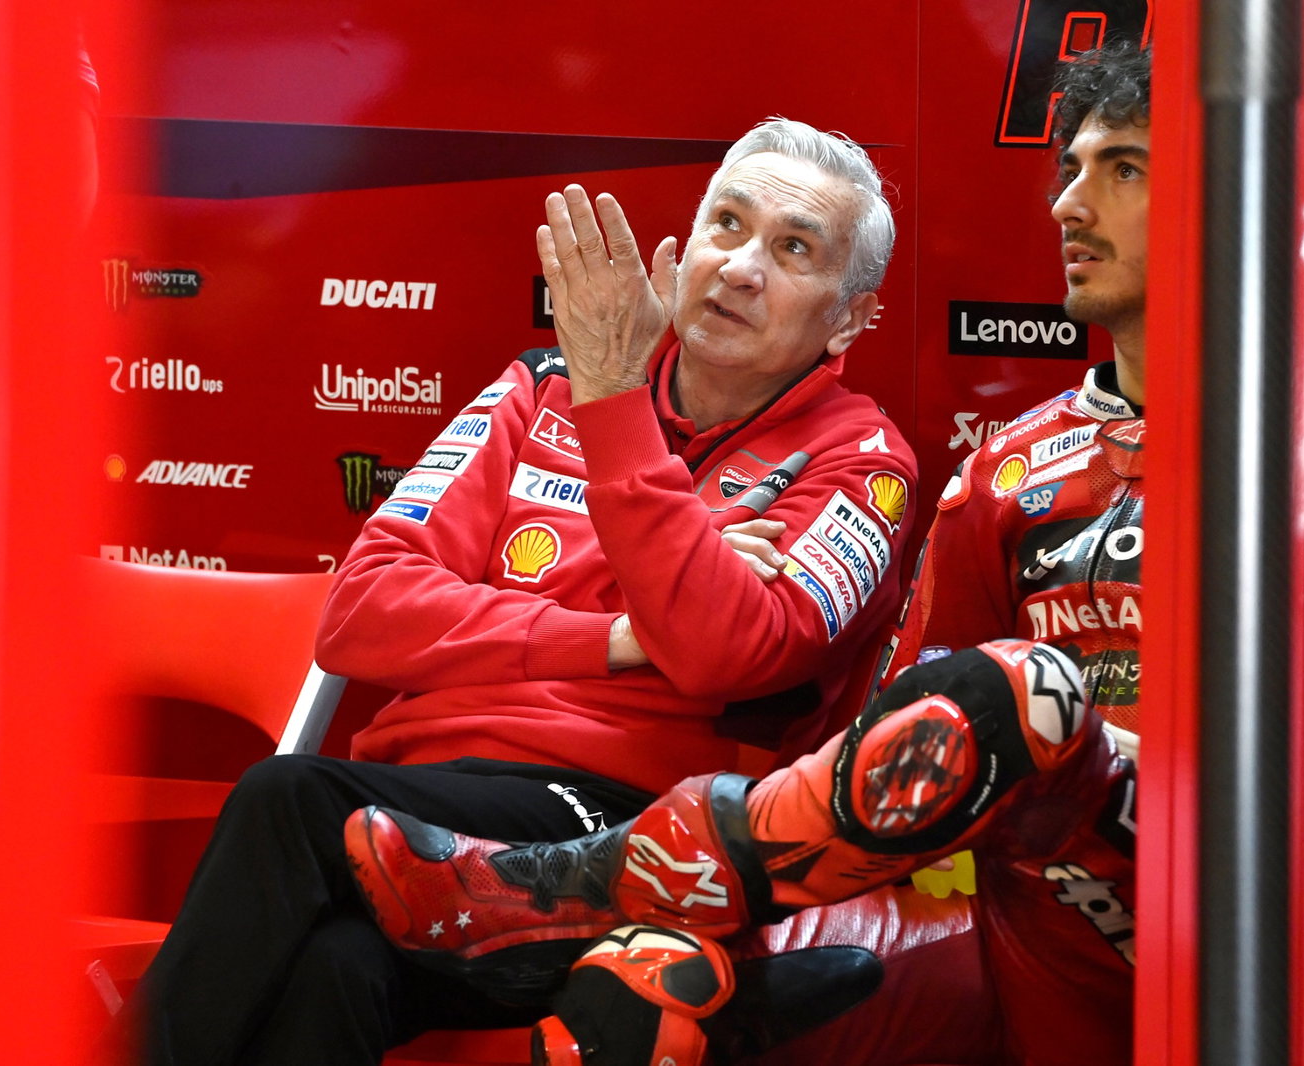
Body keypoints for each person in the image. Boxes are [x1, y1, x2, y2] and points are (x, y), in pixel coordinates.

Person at [345, 41, 1150, 1066]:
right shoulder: (1010, 466)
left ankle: (591, 881)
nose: (1068, 206)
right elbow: (900, 733)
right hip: (1051, 904)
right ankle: (636, 913)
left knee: (1032, 692)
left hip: (1234, 860)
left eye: (1122, 170)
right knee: (639, 994)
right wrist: (626, 627)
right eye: (1071, 170)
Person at [113, 117, 920, 1066]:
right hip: (435, 793)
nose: (742, 267)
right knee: (340, 967)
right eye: (728, 225)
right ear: (689, 241)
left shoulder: (862, 462)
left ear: (852, 316)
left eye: (793, 249)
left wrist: (613, 395)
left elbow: (718, 652)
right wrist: (619, 636)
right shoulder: (537, 390)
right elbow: (360, 611)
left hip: (631, 834)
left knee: (291, 801)